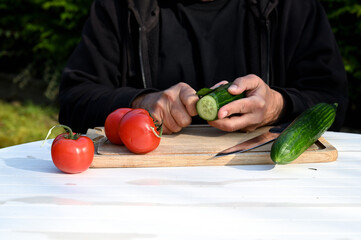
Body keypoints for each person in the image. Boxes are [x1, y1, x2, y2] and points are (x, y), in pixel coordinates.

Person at [59, 0, 348, 134]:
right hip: (146, 187)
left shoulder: (293, 7)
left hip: (264, 185)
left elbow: (333, 102)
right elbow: (74, 101)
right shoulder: (122, 6)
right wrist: (140, 103)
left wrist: (277, 105)